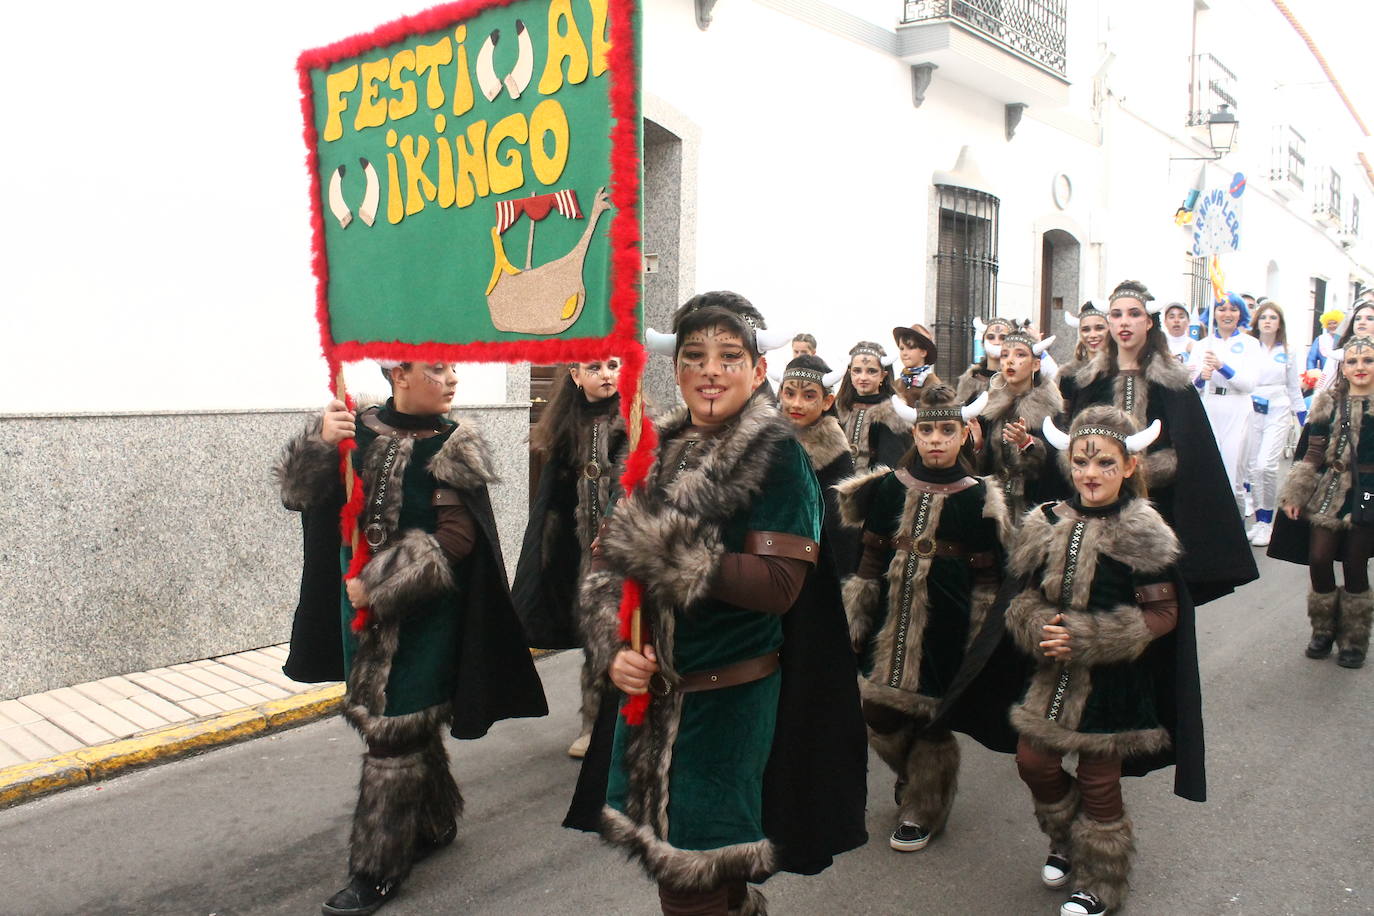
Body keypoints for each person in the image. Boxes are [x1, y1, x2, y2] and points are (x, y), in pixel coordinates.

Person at [567, 291, 868, 916]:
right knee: (700, 871)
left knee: (689, 878)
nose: (710, 370)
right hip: (647, 701)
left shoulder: (778, 456)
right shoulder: (649, 447)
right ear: (675, 370)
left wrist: (663, 549)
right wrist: (614, 648)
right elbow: (607, 565)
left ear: (758, 372)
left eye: (730, 356)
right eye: (694, 356)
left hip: (728, 705)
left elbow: (779, 585)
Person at [275, 361, 548, 916]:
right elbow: (299, 497)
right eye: (438, 369)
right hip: (358, 614)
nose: (453, 380)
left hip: (424, 615)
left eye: (453, 368)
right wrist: (321, 444)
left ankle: (376, 867)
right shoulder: (354, 427)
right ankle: (432, 820)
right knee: (406, 720)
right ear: (399, 373)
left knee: (392, 731)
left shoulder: (454, 445)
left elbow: (458, 537)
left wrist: (380, 582)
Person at [1005, 407, 1204, 916]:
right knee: (1034, 763)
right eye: (1081, 462)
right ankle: (1067, 838)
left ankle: (1102, 881)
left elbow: (1163, 614)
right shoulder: (1045, 520)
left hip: (1115, 681)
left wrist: (1090, 638)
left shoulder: (1142, 528)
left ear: (1130, 466)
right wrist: (1037, 626)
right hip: (1051, 676)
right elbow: (1021, 597)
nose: (1091, 473)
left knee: (1098, 780)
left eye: (1105, 463)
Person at [835, 385, 1008, 855]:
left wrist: (980, 640)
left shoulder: (980, 496)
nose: (936, 439)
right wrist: (856, 619)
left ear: (964, 434)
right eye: (927, 430)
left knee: (933, 718)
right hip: (888, 619)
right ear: (914, 433)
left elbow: (988, 576)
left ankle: (924, 808)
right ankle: (912, 774)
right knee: (878, 713)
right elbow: (870, 558)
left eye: (947, 430)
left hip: (948, 622)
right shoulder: (889, 487)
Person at [1058, 280, 1256, 604]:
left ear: (1149, 322)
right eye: (1117, 314)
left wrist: (1147, 470)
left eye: (1134, 314)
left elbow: (1192, 449)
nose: (1124, 322)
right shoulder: (1089, 381)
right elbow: (1074, 443)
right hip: (1097, 502)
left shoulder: (1172, 381)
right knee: (1104, 591)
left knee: (1156, 597)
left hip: (1159, 504)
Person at [511, 358, 625, 758]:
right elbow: (554, 497)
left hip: (623, 551)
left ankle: (619, 725)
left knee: (621, 636)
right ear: (575, 375)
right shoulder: (564, 424)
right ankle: (594, 723)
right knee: (595, 638)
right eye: (595, 367)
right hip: (577, 552)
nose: (606, 374)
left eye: (613, 365)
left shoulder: (635, 420)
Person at [1276, 336, 1374, 669]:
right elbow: (1314, 452)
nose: (1360, 367)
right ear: (1342, 368)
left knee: (1355, 564)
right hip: (1329, 491)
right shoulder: (1328, 402)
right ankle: (1323, 629)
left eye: (1368, 360)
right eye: (1352, 361)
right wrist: (1296, 493)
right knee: (1319, 559)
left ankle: (1354, 639)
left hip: (1368, 494)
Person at [778, 354, 860, 577]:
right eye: (790, 393)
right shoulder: (768, 440)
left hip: (813, 564)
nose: (796, 403)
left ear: (827, 402)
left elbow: (839, 529)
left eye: (809, 395)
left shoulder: (834, 451)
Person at [976, 327, 1063, 522]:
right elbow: (983, 467)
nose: (1010, 361)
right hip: (995, 507)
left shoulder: (1051, 409)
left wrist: (1028, 444)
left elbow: (1058, 465)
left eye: (1020, 354)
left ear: (1036, 365)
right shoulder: (987, 406)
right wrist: (978, 444)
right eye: (1005, 355)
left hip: (1034, 507)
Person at [1187, 292, 1262, 518]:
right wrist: (1202, 378)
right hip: (1209, 407)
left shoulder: (1250, 344)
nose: (1227, 314)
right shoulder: (1202, 346)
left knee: (1232, 476)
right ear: (1214, 313)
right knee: (1206, 473)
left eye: (1233, 309)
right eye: (1221, 309)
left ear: (1240, 313)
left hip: (1237, 407)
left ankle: (1235, 525)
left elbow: (1248, 384)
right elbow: (1191, 386)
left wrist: (1222, 366)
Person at [1242, 304, 1305, 547]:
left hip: (1278, 410)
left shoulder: (1288, 351)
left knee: (1265, 466)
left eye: (1273, 317)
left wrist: (1304, 419)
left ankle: (1268, 522)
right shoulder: (1248, 347)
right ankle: (1259, 521)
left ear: (1280, 323)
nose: (1268, 321)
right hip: (1251, 408)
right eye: (1264, 317)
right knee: (1252, 468)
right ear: (1257, 322)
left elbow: (1294, 387)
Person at [834, 341, 910, 472]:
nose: (863, 377)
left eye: (871, 371)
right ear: (850, 373)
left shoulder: (892, 413)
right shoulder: (839, 407)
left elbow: (890, 463)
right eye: (857, 371)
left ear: (883, 375)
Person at [956, 316, 1017, 403]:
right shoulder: (970, 378)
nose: (996, 342)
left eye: (1003, 338)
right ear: (982, 343)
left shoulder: (1019, 379)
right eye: (991, 337)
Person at [1057, 303, 1109, 403]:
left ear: (1109, 330)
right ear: (1080, 333)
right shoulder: (1068, 375)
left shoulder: (1119, 369)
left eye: (1099, 328)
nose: (1092, 335)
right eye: (1086, 329)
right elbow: (1065, 411)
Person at [892, 322, 943, 405]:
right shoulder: (897, 384)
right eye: (902, 348)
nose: (904, 353)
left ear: (923, 352)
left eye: (910, 348)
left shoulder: (933, 385)